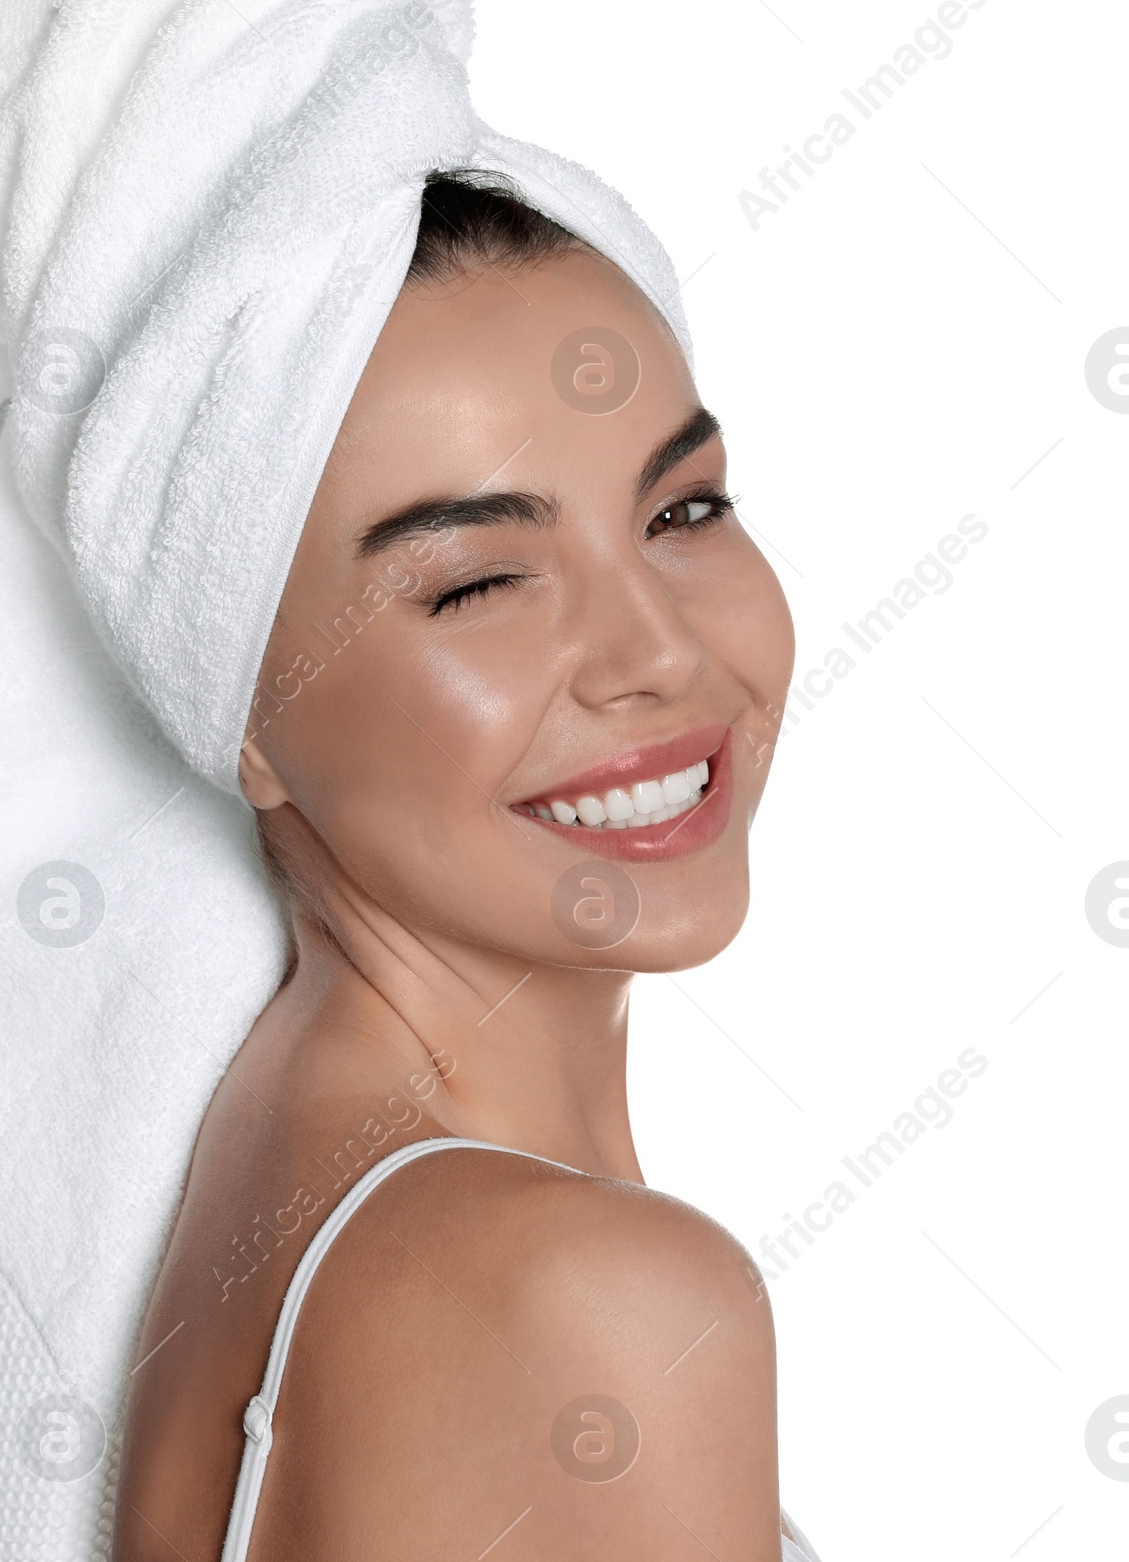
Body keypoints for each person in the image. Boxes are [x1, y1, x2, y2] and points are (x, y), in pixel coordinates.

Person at [114, 173, 813, 1561]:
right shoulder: (597, 1303)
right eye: (481, 582)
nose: (661, 655)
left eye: (681, 511)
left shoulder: (282, 1157)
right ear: (243, 714)